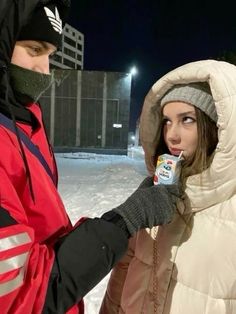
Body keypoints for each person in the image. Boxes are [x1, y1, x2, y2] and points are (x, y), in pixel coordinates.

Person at [0, 1, 181, 313]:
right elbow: (25, 297)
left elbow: (43, 231)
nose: (45, 70)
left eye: (51, 55)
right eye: (33, 48)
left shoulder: (25, 117)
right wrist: (123, 222)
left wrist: (118, 219)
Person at [100, 59, 236, 314]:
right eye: (166, 122)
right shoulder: (151, 193)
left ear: (216, 127)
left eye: (187, 119)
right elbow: (123, 271)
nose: (172, 134)